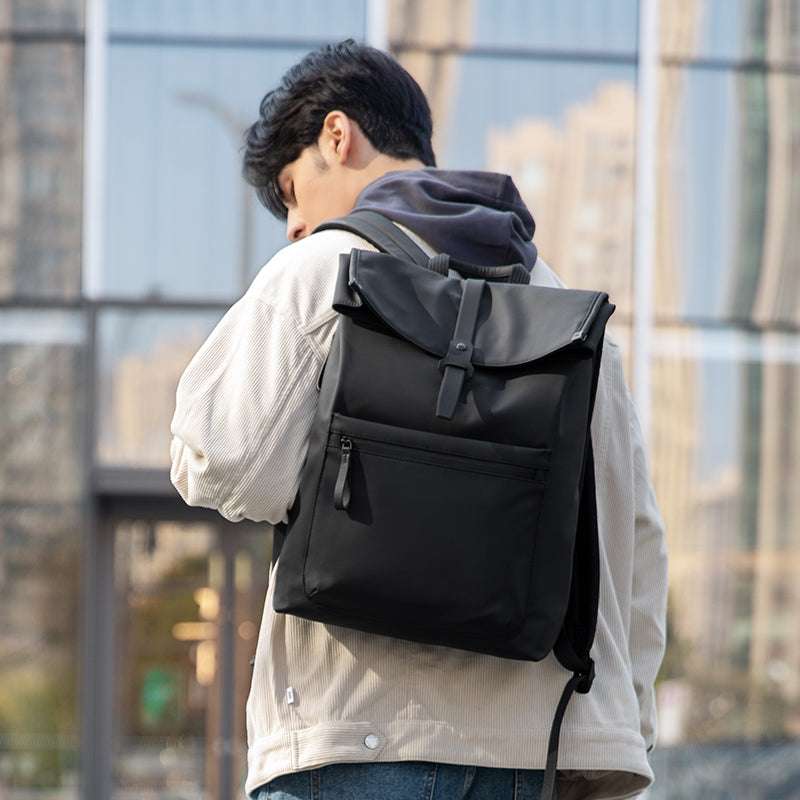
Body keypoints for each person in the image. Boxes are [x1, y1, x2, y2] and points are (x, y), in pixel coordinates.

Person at [170, 39, 668, 800]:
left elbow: (222, 461)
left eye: (293, 193)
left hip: (352, 743)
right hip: (531, 759)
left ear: (337, 135)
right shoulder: (564, 310)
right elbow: (633, 540)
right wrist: (617, 730)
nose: (294, 227)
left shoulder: (319, 271)